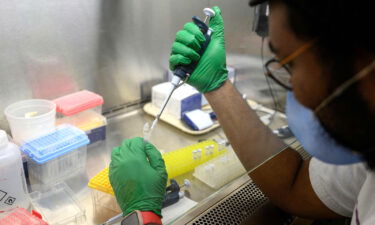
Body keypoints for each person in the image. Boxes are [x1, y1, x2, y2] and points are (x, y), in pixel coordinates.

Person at [109, 0, 375, 224]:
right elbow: (294, 185)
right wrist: (217, 85)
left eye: (292, 63)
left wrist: (141, 216)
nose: (298, 92)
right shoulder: (365, 163)